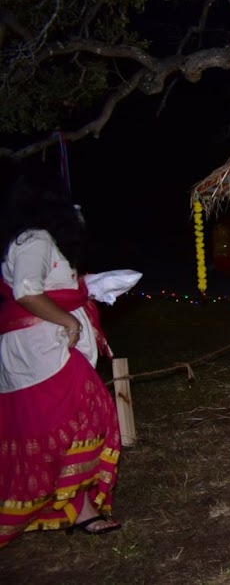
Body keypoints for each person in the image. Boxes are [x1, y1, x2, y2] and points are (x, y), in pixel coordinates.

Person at [0, 172, 122, 547]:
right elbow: (26, 291)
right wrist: (69, 319)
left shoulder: (43, 240)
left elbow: (55, 285)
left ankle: (77, 506)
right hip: (40, 351)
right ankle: (76, 507)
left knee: (75, 423)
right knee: (77, 421)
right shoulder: (34, 239)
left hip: (48, 348)